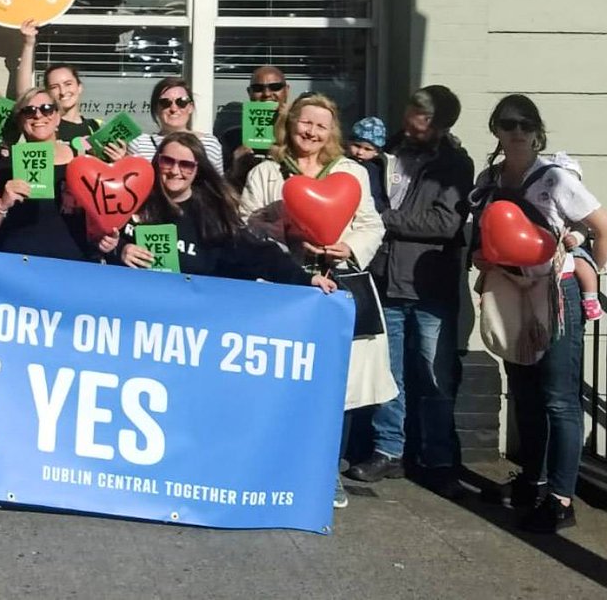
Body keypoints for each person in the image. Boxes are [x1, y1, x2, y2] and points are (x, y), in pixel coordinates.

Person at [469, 95, 607, 533]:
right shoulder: (490, 178)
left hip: (556, 292)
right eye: (508, 124)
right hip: (511, 291)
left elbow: (606, 228)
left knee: (558, 398)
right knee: (526, 394)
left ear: (538, 133)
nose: (517, 133)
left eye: (525, 125)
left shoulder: (555, 178)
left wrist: (588, 267)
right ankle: (531, 483)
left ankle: (560, 499)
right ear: (496, 129)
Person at [239, 93, 389, 510]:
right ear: (290, 124)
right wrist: (279, 229)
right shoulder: (267, 171)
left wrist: (349, 246)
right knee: (283, 378)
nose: (311, 132)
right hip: (284, 286)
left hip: (338, 286)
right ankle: (276, 468)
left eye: (321, 126)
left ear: (331, 132)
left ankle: (326, 474)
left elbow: (371, 223)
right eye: (305, 123)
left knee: (336, 386)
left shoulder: (351, 173)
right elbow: (247, 224)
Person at [345, 87, 473, 499]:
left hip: (429, 283)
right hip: (385, 277)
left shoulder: (454, 163)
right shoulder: (386, 151)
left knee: (434, 375)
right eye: (411, 110)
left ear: (440, 124)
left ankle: (437, 458)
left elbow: (445, 224)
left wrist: (384, 219)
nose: (409, 119)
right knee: (389, 373)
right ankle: (389, 450)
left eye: (419, 115)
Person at [108, 131, 336, 290]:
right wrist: (120, 249)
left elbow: (260, 255)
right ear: (157, 162)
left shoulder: (212, 216)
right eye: (168, 161)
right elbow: (95, 236)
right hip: (133, 319)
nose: (175, 170)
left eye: (186, 164)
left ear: (198, 170)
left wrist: (307, 280)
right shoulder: (132, 200)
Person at [0, 87, 90, 260]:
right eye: (29, 111)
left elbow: (97, 225)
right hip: (19, 266)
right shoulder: (5, 166)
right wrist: (3, 204)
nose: (38, 116)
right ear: (21, 121)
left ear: (57, 117)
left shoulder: (81, 161)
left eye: (47, 109)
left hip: (70, 267)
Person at [15, 20, 101, 147]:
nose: (62, 91)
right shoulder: (45, 124)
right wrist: (28, 45)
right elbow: (25, 95)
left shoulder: (95, 127)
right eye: (55, 87)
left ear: (79, 87)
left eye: (68, 84)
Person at [551, 153, 605, 321]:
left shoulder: (579, 203)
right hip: (554, 256)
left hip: (573, 248)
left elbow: (583, 228)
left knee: (584, 265)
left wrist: (575, 238)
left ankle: (591, 299)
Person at [129, 77, 223, 170]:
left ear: (191, 107)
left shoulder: (209, 144)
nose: (174, 109)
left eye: (181, 102)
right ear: (156, 108)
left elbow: (216, 183)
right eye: (165, 102)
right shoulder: (139, 144)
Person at [224, 65, 290, 189]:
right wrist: (235, 170)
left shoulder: (298, 133)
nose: (267, 94)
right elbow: (221, 190)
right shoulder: (232, 137)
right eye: (258, 88)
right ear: (249, 93)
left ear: (286, 90)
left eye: (275, 87)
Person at [347, 116, 389, 212]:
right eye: (357, 146)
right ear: (349, 142)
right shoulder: (342, 164)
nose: (360, 152)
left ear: (377, 152)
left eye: (367, 149)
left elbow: (376, 198)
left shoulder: (374, 170)